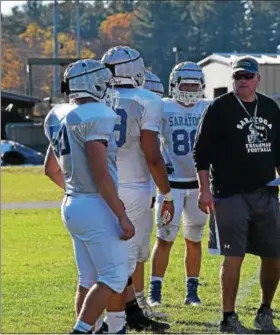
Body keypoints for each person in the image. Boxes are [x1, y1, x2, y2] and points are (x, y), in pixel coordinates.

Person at [193, 56, 280, 333]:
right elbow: (201, 154)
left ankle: (265, 311)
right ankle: (229, 317)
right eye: (238, 76)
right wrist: (204, 190)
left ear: (258, 79)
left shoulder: (270, 107)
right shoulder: (219, 108)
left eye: (248, 76)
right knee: (233, 255)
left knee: (273, 255)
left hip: (266, 192)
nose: (243, 81)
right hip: (229, 193)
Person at [43, 59, 134, 334]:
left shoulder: (58, 114)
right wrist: (120, 213)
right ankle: (81, 331)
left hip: (73, 202)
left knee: (89, 277)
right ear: (95, 84)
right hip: (96, 204)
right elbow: (99, 173)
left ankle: (103, 329)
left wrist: (77, 191)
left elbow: (50, 169)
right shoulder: (97, 114)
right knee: (115, 276)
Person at [101, 46, 172, 332]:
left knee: (108, 258)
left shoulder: (97, 99)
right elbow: (153, 156)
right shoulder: (146, 99)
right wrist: (167, 194)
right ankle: (111, 322)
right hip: (134, 187)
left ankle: (128, 312)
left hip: (102, 187)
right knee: (122, 263)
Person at [148, 61, 210, 307]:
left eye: (195, 85)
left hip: (198, 184)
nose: (190, 90)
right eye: (185, 84)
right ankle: (155, 291)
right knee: (164, 238)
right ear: (174, 85)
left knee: (194, 238)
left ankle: (192, 292)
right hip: (170, 184)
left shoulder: (208, 107)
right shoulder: (162, 108)